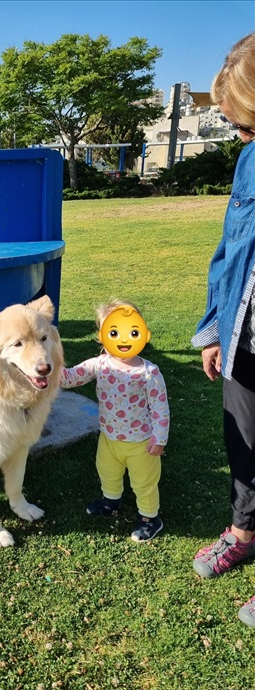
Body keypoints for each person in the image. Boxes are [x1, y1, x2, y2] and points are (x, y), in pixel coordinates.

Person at [191, 32, 255, 629]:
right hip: (246, 331)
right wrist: (213, 325)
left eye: (246, 125)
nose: (239, 138)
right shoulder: (248, 161)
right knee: (242, 437)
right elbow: (231, 246)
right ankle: (243, 529)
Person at [60, 299, 169, 542]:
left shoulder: (148, 373)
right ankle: (111, 501)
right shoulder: (99, 365)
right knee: (107, 471)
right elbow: (68, 379)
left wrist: (159, 439)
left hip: (141, 443)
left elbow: (160, 408)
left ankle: (150, 518)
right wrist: (48, 368)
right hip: (109, 438)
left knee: (144, 483)